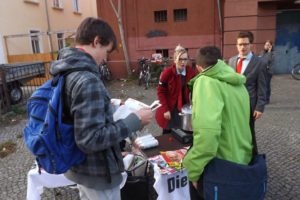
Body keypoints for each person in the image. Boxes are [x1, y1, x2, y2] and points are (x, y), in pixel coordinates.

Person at [49, 17, 152, 200]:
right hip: (97, 174)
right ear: (96, 41)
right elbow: (90, 139)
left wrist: (109, 104)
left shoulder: (68, 70)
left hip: (82, 169)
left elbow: (76, 113)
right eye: (106, 51)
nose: (105, 59)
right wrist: (134, 121)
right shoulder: (87, 79)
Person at [183, 46, 253, 199]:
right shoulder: (238, 83)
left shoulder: (205, 82)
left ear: (199, 67)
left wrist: (193, 170)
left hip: (221, 166)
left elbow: (208, 134)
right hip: (242, 158)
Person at [228, 31, 267, 154]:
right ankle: (237, 154)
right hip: (233, 105)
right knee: (234, 132)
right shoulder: (231, 61)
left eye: (245, 44)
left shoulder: (259, 63)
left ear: (251, 45)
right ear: (236, 45)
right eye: (240, 44)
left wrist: (260, 107)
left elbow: (262, 87)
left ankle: (253, 156)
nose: (242, 47)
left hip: (249, 106)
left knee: (249, 132)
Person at [155, 45, 197, 134]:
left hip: (183, 109)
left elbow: (195, 90)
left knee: (183, 133)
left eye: (185, 59)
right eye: (180, 59)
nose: (183, 62)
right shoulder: (167, 73)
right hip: (169, 108)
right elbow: (161, 92)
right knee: (168, 133)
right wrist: (165, 109)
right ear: (175, 60)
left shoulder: (191, 72)